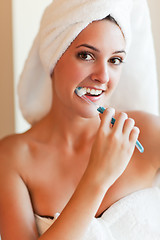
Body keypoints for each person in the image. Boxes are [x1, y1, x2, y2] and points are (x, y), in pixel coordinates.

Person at [0, 0, 160, 239]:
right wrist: (97, 177)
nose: (103, 76)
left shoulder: (147, 133)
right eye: (86, 55)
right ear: (53, 58)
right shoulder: (12, 158)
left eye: (114, 60)